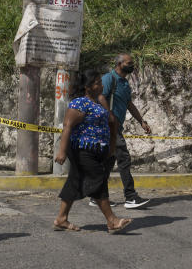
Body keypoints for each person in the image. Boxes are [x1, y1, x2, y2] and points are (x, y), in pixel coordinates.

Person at [53, 69, 133, 234]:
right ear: (88, 87)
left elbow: (112, 122)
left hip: (98, 150)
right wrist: (61, 152)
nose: (101, 85)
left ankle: (61, 218)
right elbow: (67, 126)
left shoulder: (99, 101)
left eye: (100, 82)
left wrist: (111, 146)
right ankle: (112, 220)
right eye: (97, 82)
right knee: (97, 178)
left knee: (74, 181)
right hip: (82, 149)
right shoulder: (79, 103)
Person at [96, 53, 152, 209]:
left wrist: (142, 121)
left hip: (115, 127)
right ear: (119, 64)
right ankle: (131, 197)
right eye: (129, 62)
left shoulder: (125, 83)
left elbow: (129, 104)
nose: (132, 65)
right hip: (108, 127)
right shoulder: (109, 79)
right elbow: (99, 98)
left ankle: (97, 196)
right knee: (124, 159)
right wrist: (109, 117)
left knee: (108, 163)